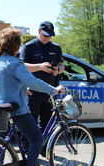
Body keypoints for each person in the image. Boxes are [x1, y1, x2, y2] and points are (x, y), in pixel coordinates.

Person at [0, 27, 65, 166]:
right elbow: (33, 81)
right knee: (37, 139)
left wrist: (22, 89)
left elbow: (3, 82)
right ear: (15, 45)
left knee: (0, 141)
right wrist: (54, 90)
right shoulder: (15, 63)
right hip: (15, 108)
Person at [20, 21, 65, 154]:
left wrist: (58, 69)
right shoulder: (29, 47)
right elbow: (22, 67)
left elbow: (62, 65)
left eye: (50, 36)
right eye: (45, 35)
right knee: (30, 122)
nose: (48, 38)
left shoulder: (56, 47)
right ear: (39, 31)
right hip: (32, 91)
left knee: (48, 122)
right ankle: (27, 150)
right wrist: (40, 66)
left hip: (50, 91)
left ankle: (45, 149)